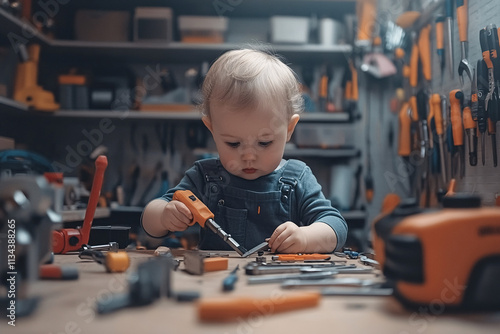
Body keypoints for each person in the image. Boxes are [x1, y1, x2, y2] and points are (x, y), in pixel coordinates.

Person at [142, 48, 347, 253]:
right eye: (233, 144)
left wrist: (305, 237)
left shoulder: (297, 179)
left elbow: (336, 228)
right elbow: (148, 223)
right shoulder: (205, 178)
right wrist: (164, 216)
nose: (248, 156)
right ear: (212, 129)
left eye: (264, 143)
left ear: (289, 129)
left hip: (275, 282)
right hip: (215, 281)